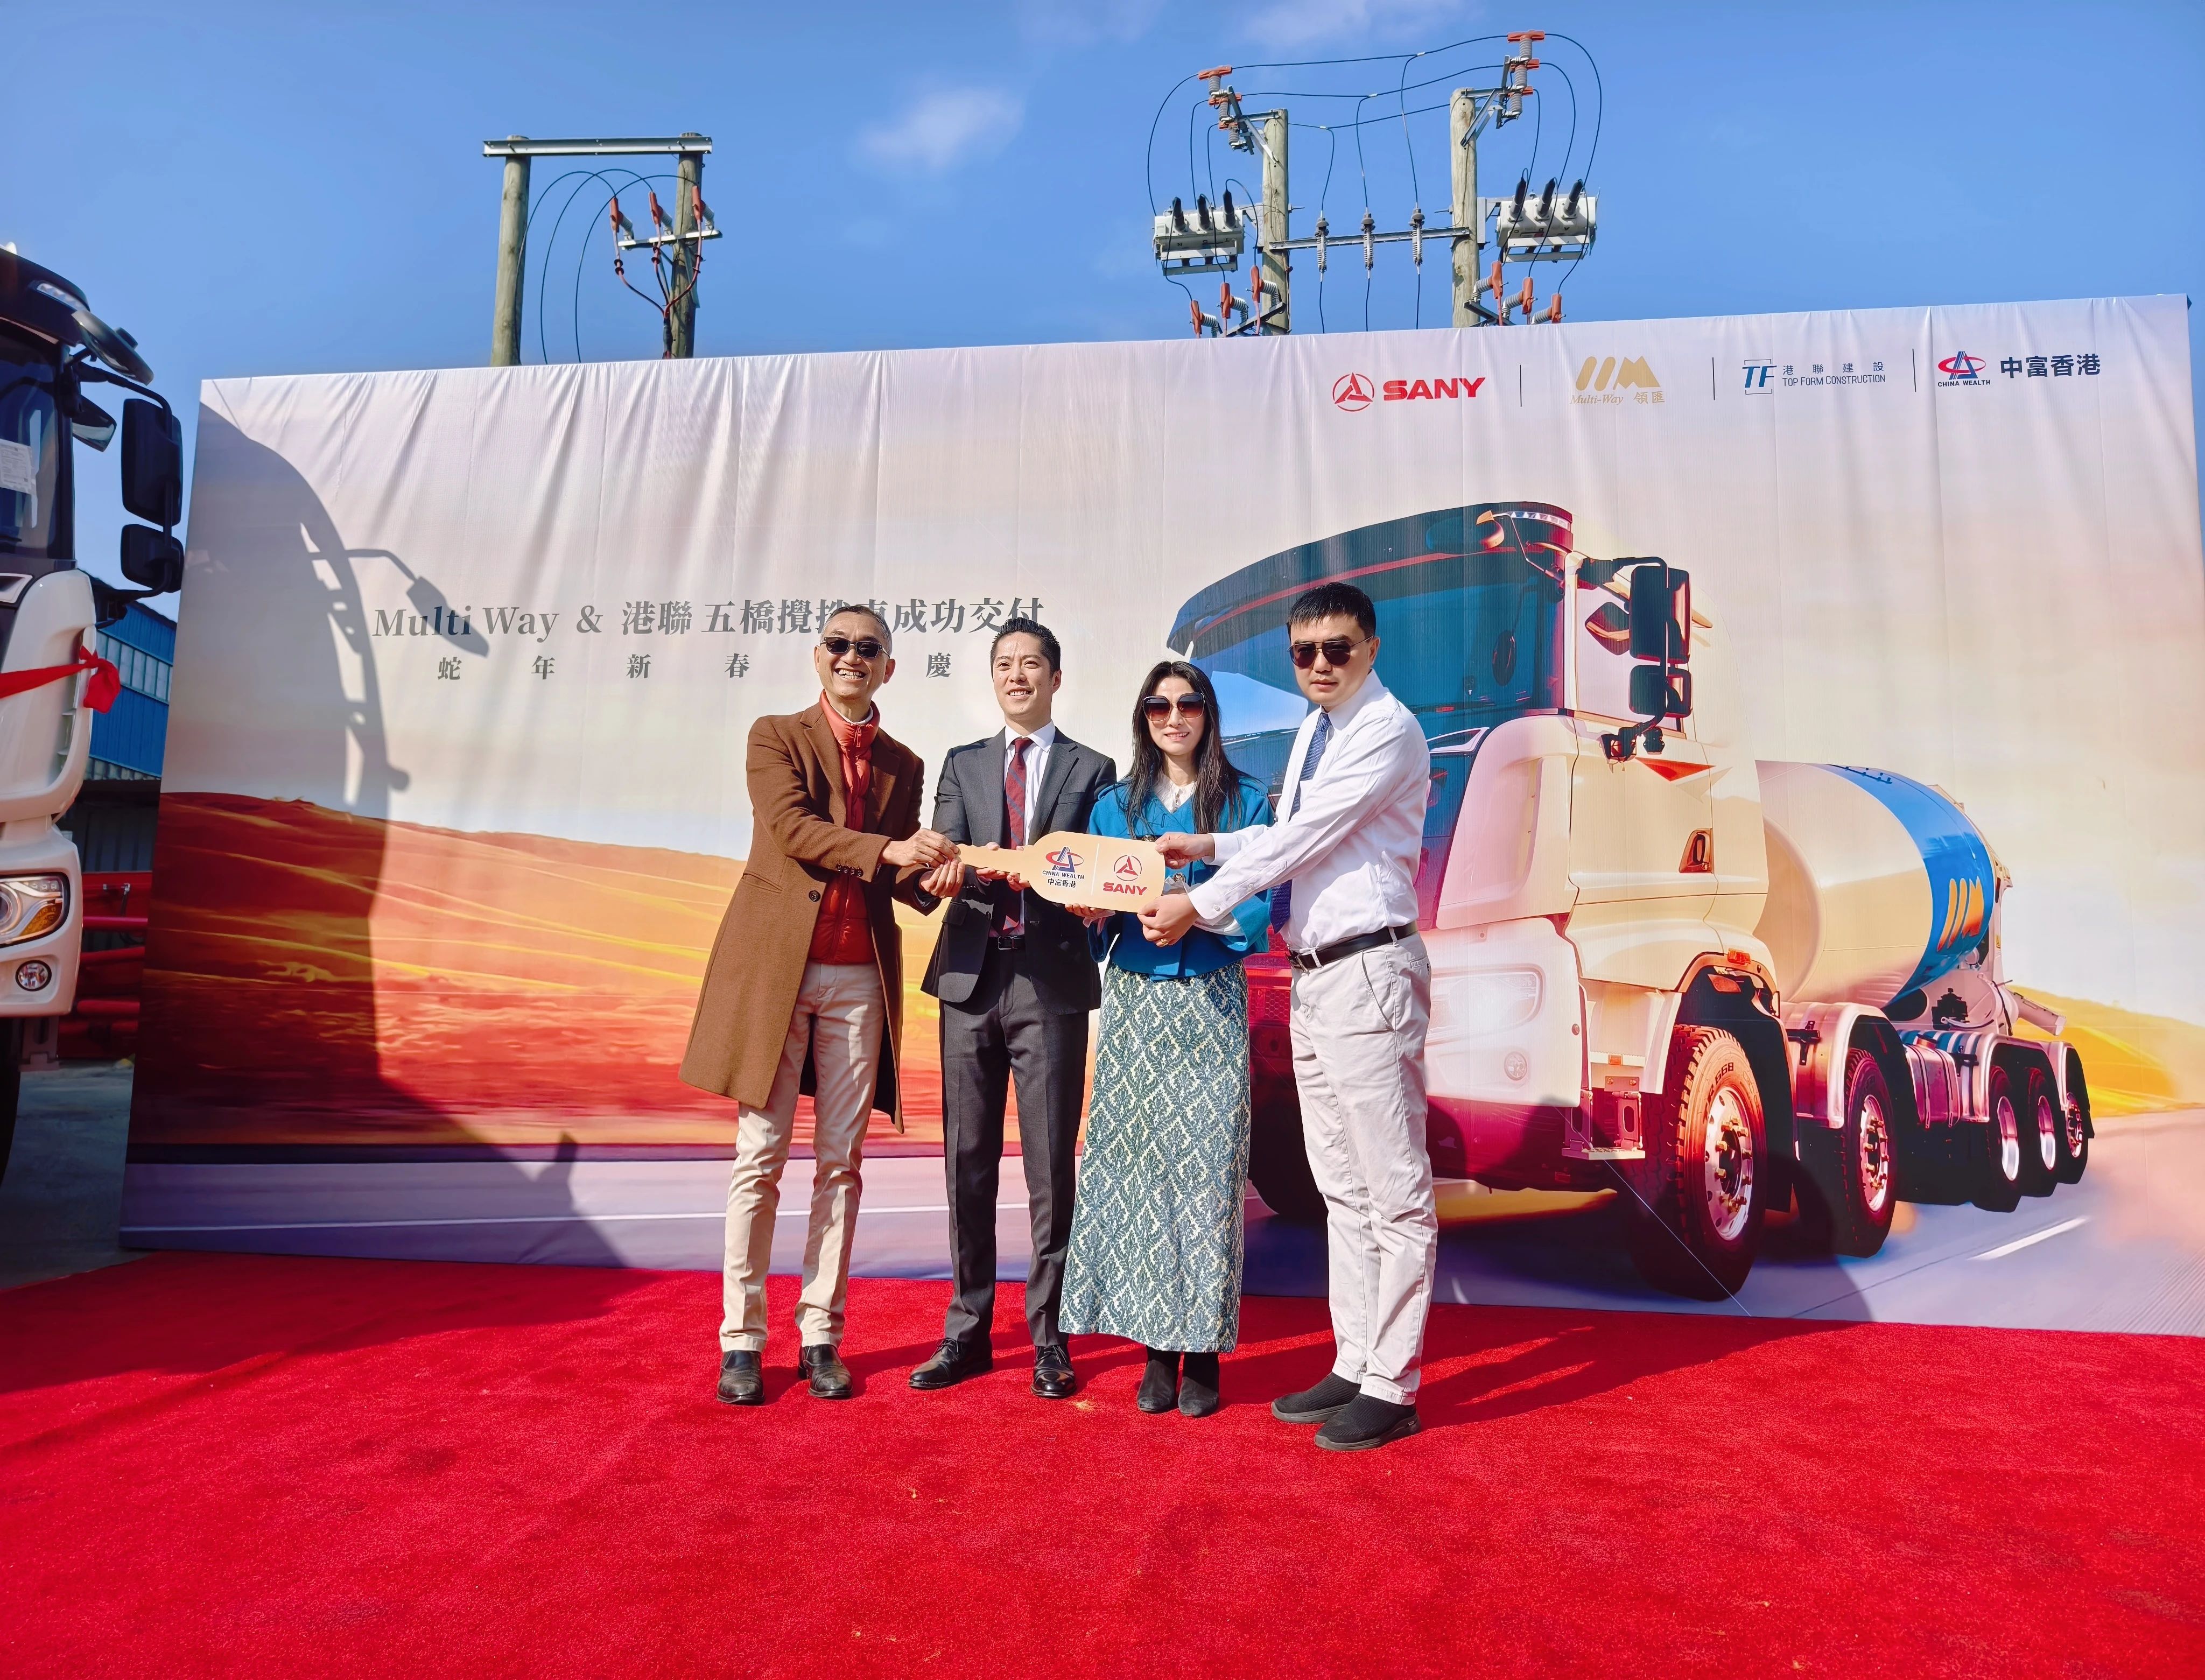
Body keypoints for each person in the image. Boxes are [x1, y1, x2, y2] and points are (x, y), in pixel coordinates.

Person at [1140, 581, 1435, 1452]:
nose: (1319, 665)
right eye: (1304, 652)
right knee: (1341, 1184)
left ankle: (1394, 1382)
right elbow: (1286, 827)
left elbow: (1307, 838)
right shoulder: (1318, 728)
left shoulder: (1386, 730)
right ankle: (1356, 1359)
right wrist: (1209, 844)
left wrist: (1200, 901)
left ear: (1372, 648)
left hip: (1369, 971)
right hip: (1315, 977)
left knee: (1393, 1189)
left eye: (1338, 649)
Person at [681, 606, 956, 1407]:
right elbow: (794, 829)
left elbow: (895, 877)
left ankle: (821, 1335)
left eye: (868, 648)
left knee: (842, 1162)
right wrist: (891, 850)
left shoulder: (904, 763)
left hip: (859, 980)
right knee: (760, 1156)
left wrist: (938, 876)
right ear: (818, 656)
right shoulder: (775, 736)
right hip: (778, 974)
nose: (851, 657)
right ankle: (741, 1341)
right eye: (839, 644)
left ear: (888, 668)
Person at [1058, 660, 1272, 1419]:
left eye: (1188, 704)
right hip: (1137, 1002)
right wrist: (1091, 914)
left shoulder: (1248, 801)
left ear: (1209, 714)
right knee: (1141, 1174)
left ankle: (1203, 1352)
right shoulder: (1112, 806)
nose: (1173, 717)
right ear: (1143, 718)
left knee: (1210, 1175)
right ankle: (1155, 1349)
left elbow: (1263, 901)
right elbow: (1099, 909)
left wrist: (1196, 911)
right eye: (1158, 706)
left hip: (1212, 997)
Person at [910, 617, 1116, 1400]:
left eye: (1032, 664)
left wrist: (1062, 881)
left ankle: (1049, 1337)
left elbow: (1096, 867)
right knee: (967, 1161)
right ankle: (966, 1329)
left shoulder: (1093, 769)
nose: (1017, 676)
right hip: (969, 981)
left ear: (1056, 679)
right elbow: (949, 852)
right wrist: (957, 871)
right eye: (1004, 664)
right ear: (993, 678)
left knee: (1049, 1168)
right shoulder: (962, 764)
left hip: (1049, 983)